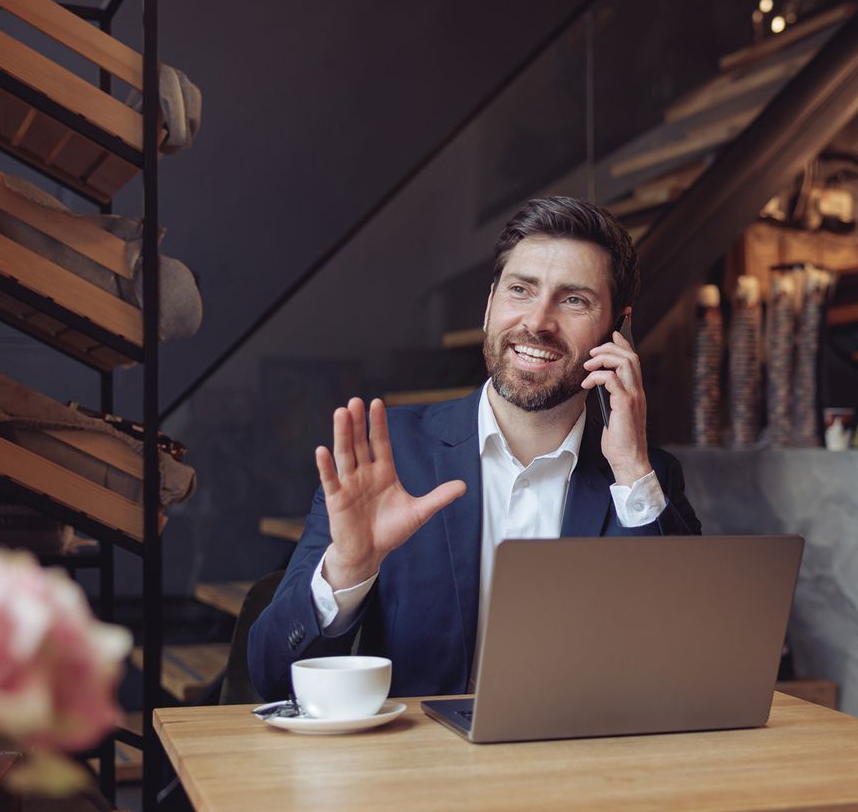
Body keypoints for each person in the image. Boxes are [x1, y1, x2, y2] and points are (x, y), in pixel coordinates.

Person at [248, 195, 702, 704]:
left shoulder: (644, 478)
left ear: (617, 329)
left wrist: (631, 468)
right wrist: (347, 571)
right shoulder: (389, 456)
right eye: (520, 290)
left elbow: (689, 666)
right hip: (422, 770)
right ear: (490, 305)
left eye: (574, 300)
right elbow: (270, 674)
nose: (538, 321)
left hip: (581, 769)